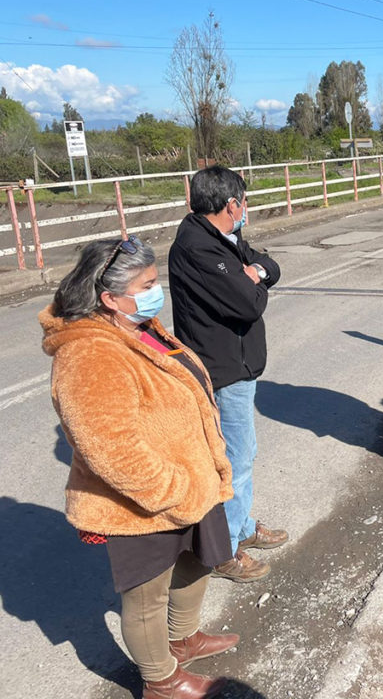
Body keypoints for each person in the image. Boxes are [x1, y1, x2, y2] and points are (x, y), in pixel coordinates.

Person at [40, 236, 237, 698]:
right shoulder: (89, 354)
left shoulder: (139, 325)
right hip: (145, 499)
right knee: (146, 597)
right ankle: (161, 680)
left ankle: (183, 640)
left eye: (155, 280)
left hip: (191, 478)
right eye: (147, 284)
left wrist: (199, 476)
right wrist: (176, 491)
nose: (156, 291)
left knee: (198, 562)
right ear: (109, 298)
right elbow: (111, 450)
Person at [169, 165, 288, 583]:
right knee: (234, 459)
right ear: (230, 204)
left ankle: (239, 526)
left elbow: (267, 266)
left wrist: (255, 271)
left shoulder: (225, 238)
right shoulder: (198, 247)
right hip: (223, 371)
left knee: (243, 454)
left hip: (239, 364)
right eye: (244, 202)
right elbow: (248, 304)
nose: (246, 210)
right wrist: (253, 278)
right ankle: (226, 549)